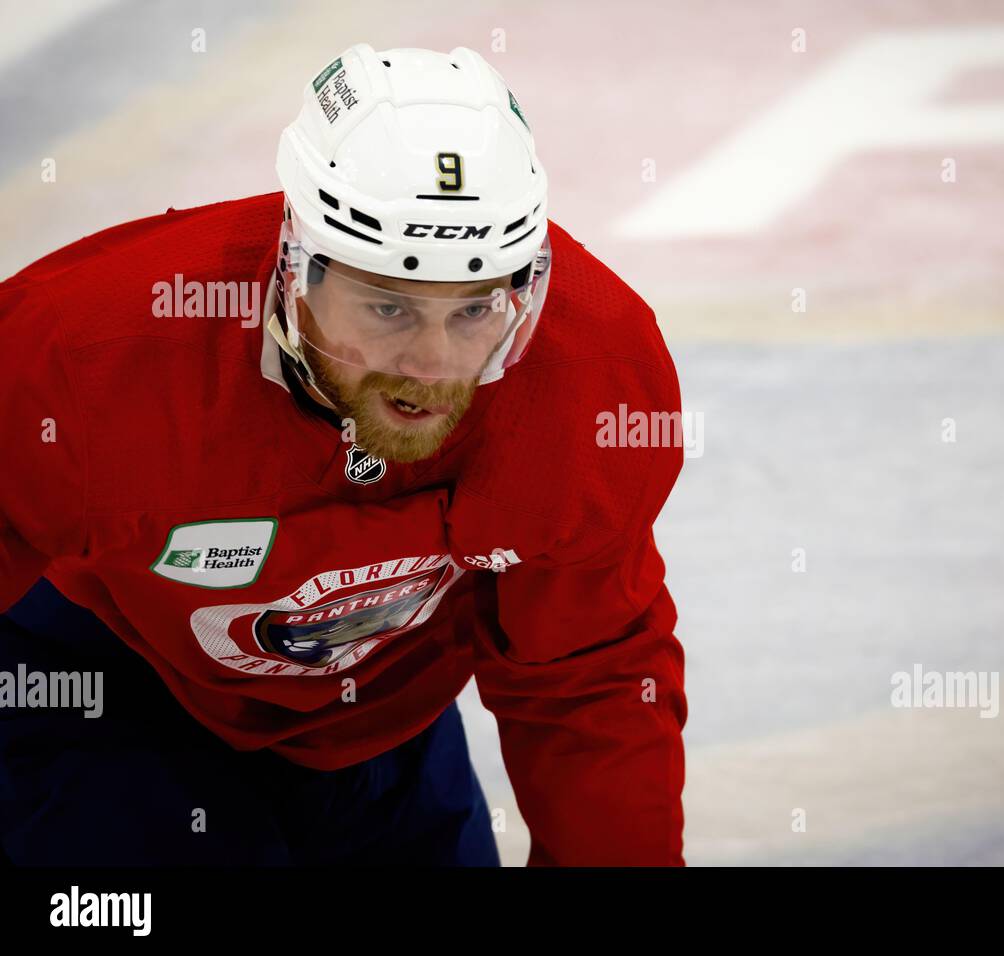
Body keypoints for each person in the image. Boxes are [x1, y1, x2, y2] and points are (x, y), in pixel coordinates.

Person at [0, 44, 687, 866]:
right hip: (104, 685)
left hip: (377, 709)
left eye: (473, 311)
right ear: (297, 269)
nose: (432, 367)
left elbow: (588, 678)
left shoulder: (589, 374)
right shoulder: (91, 356)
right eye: (389, 308)